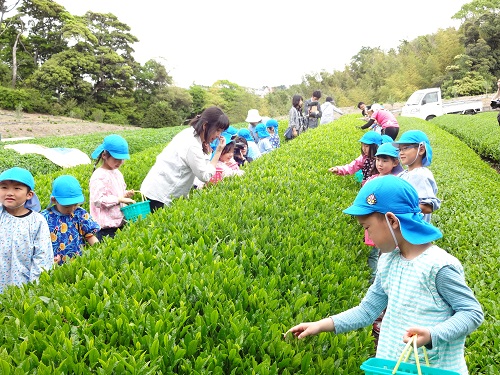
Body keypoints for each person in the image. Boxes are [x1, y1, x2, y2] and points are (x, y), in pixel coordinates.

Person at [287, 176, 484, 375]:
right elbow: (367, 311)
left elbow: (471, 312)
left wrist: (433, 334)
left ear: (392, 220)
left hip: (434, 368)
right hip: (393, 366)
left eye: (367, 227)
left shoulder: (438, 266)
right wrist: (320, 325)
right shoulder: (388, 261)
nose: (367, 235)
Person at [140, 106, 229, 211]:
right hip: (161, 196)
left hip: (156, 191)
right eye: (217, 130)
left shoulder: (190, 134)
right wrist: (218, 152)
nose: (219, 135)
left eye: (221, 131)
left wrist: (206, 152)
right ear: (205, 125)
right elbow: (204, 176)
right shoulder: (192, 144)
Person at [0, 167, 53, 294]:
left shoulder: (37, 221)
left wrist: (34, 290)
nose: (9, 193)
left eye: (17, 188)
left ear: (29, 195)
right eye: (4, 187)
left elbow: (42, 257)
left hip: (22, 288)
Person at [363, 143, 403, 283]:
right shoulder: (372, 179)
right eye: (378, 160)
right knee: (373, 253)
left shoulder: (396, 182)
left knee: (389, 253)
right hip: (373, 223)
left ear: (395, 162)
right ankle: (373, 280)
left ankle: (386, 280)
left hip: (388, 226)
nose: (380, 164)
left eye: (385, 160)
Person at [41, 175, 100, 265]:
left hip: (78, 263)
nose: (72, 209)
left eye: (75, 204)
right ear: (54, 200)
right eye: (67, 206)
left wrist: (99, 252)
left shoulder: (80, 214)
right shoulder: (45, 218)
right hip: (55, 265)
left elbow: (90, 236)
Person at [89, 134, 135, 241]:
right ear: (104, 155)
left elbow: (116, 194)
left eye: (122, 159)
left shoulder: (117, 173)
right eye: (116, 159)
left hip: (119, 222)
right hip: (105, 228)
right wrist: (119, 199)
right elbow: (98, 200)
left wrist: (125, 195)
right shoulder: (99, 175)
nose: (120, 162)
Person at [393, 130, 440, 223]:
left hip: (414, 232)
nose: (401, 153)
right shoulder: (403, 174)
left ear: (421, 149)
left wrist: (400, 211)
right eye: (400, 149)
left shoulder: (420, 175)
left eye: (405, 148)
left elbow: (427, 207)